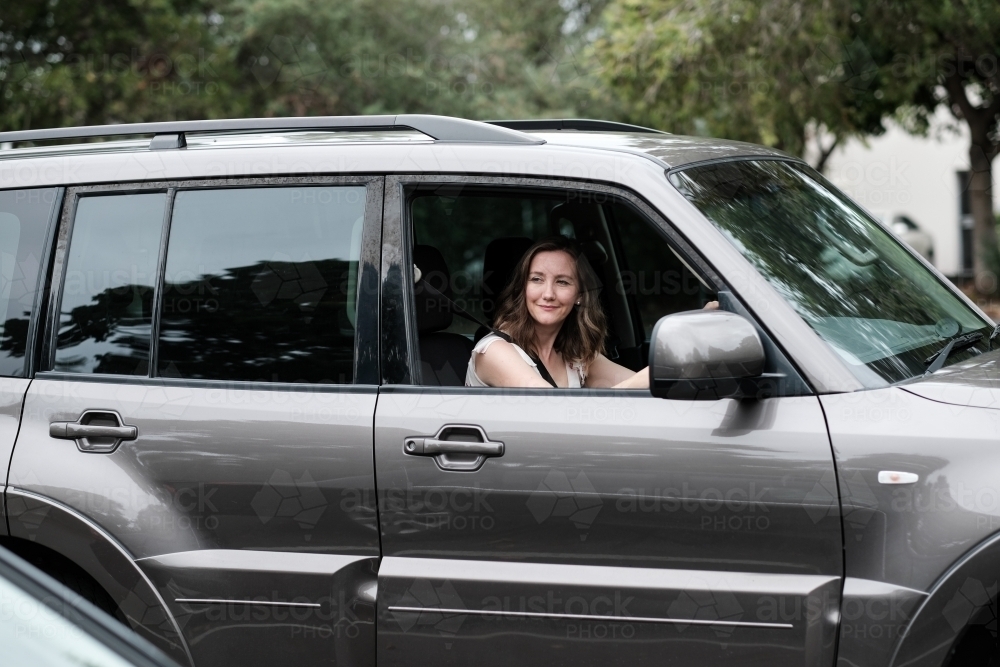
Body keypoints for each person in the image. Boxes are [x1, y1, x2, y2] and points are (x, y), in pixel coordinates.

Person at [466, 236, 717, 389]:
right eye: (537, 279)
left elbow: (642, 386)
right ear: (524, 287)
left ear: (580, 296)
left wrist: (694, 336)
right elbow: (556, 411)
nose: (548, 294)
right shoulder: (495, 351)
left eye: (562, 282)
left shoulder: (576, 356)